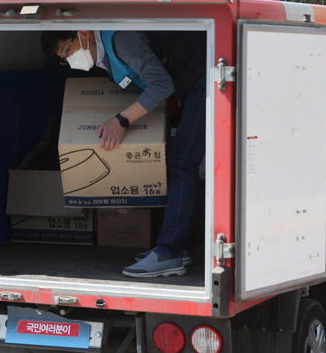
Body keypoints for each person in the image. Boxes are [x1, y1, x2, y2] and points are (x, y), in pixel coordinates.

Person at [41, 30, 205, 278]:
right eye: (64, 58)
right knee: (178, 165)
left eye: (68, 51)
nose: (70, 60)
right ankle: (175, 248)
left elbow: (162, 84)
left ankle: (169, 252)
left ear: (83, 34)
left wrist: (122, 120)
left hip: (204, 83)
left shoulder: (121, 40)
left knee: (182, 166)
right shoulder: (105, 59)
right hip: (191, 87)